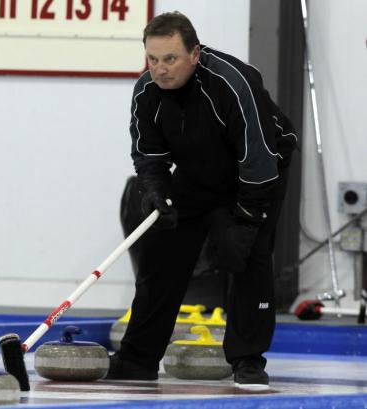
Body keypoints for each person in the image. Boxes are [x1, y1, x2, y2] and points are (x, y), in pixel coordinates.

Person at [106, 11, 297, 389]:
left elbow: (258, 157)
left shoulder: (234, 81)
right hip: (197, 172)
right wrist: (156, 192)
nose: (160, 69)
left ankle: (248, 360)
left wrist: (246, 219)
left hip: (258, 171)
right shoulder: (147, 92)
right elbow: (150, 155)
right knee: (161, 253)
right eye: (153, 59)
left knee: (246, 256)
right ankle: (137, 359)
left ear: (195, 54)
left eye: (170, 59)